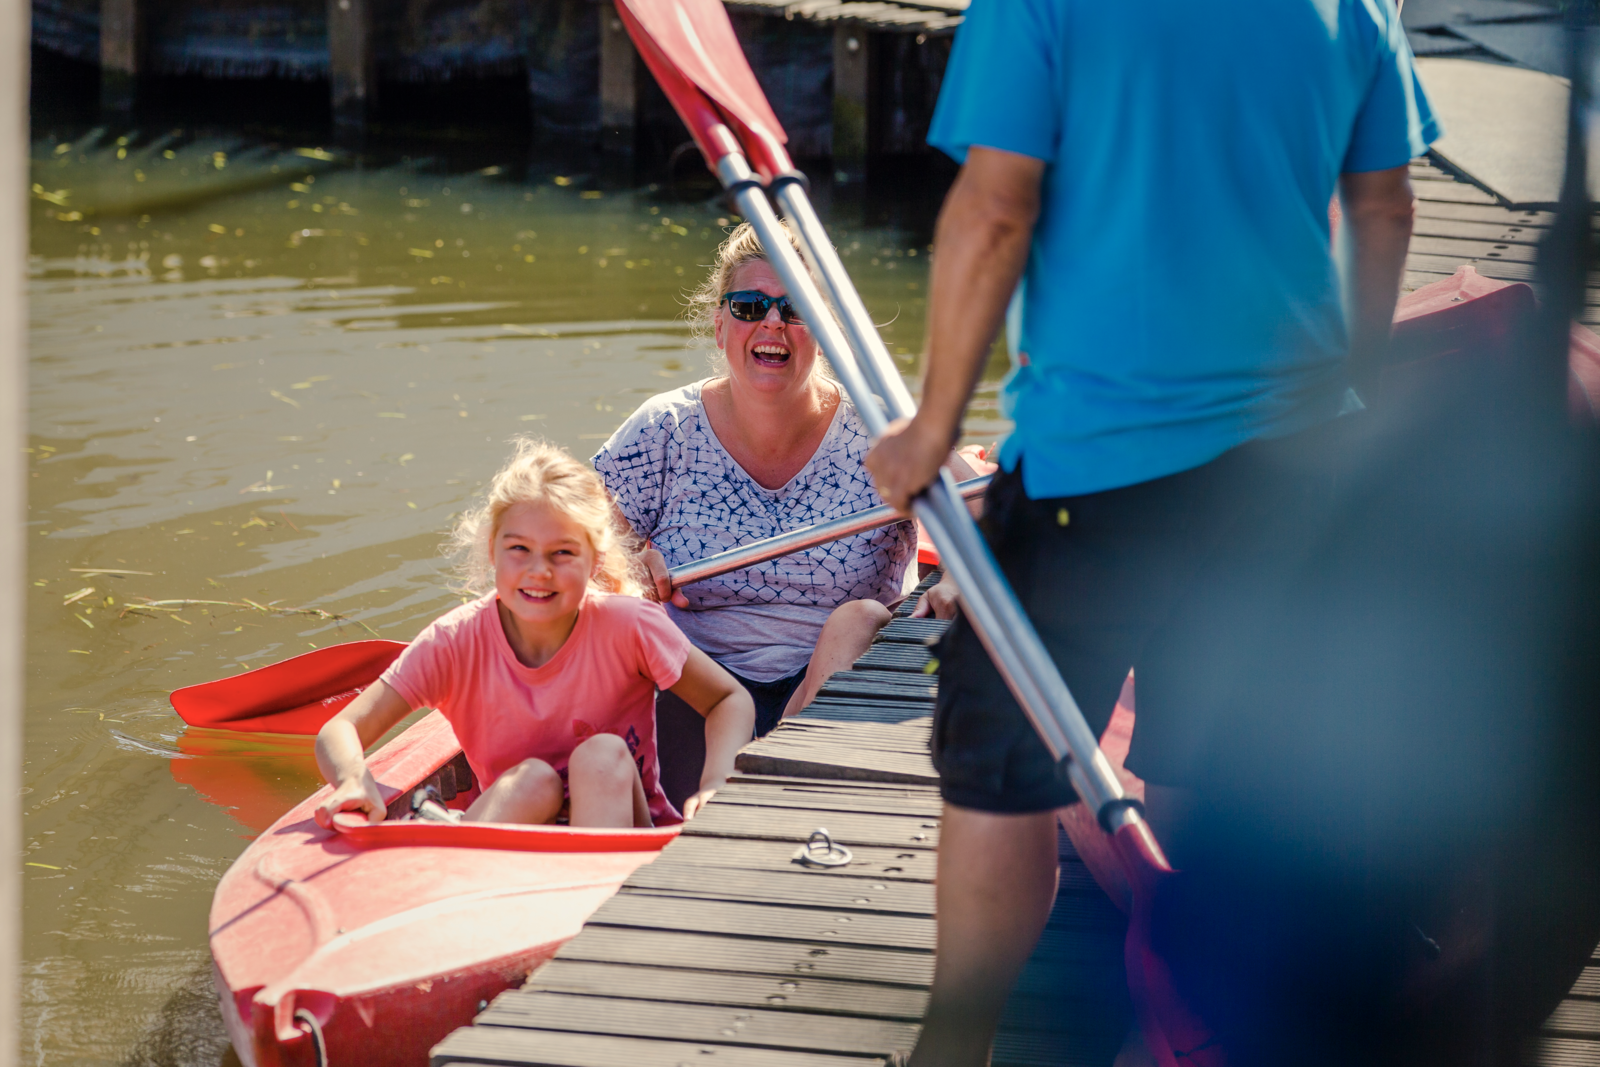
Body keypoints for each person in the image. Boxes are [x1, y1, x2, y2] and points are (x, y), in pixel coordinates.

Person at [863, 1, 1434, 1064]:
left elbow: (994, 210)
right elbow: (1385, 206)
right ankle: (1189, 1022)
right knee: (1212, 762)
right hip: (1290, 468)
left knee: (1005, 766)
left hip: (1096, 463)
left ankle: (956, 1044)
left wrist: (931, 427)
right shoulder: (1348, 4)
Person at [595, 221, 973, 742]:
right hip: (693, 683)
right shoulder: (665, 428)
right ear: (719, 325)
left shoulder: (881, 432)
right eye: (750, 306)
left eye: (795, 309)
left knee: (857, 620)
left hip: (838, 682)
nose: (772, 322)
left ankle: (775, 772)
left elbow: (990, 506)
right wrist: (623, 559)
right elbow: (572, 528)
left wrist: (957, 577)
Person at [313, 439, 754, 830]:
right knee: (534, 779)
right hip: (513, 837)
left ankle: (587, 907)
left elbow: (727, 700)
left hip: (620, 841)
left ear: (595, 562)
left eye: (562, 553)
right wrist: (355, 780)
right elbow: (340, 730)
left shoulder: (632, 625)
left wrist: (716, 784)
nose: (539, 571)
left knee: (600, 754)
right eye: (519, 549)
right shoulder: (454, 641)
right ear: (492, 551)